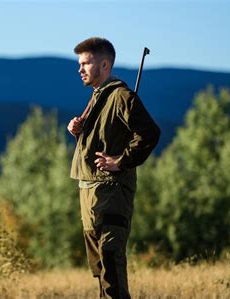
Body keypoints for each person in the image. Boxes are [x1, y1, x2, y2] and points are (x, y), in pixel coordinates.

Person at [68, 37, 160, 298]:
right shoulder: (97, 97)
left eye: (85, 63)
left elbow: (150, 133)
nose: (80, 69)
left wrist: (121, 161)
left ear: (105, 64)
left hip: (111, 195)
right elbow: (102, 140)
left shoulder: (121, 96)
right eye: (80, 64)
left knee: (112, 271)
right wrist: (78, 131)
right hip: (90, 197)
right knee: (101, 272)